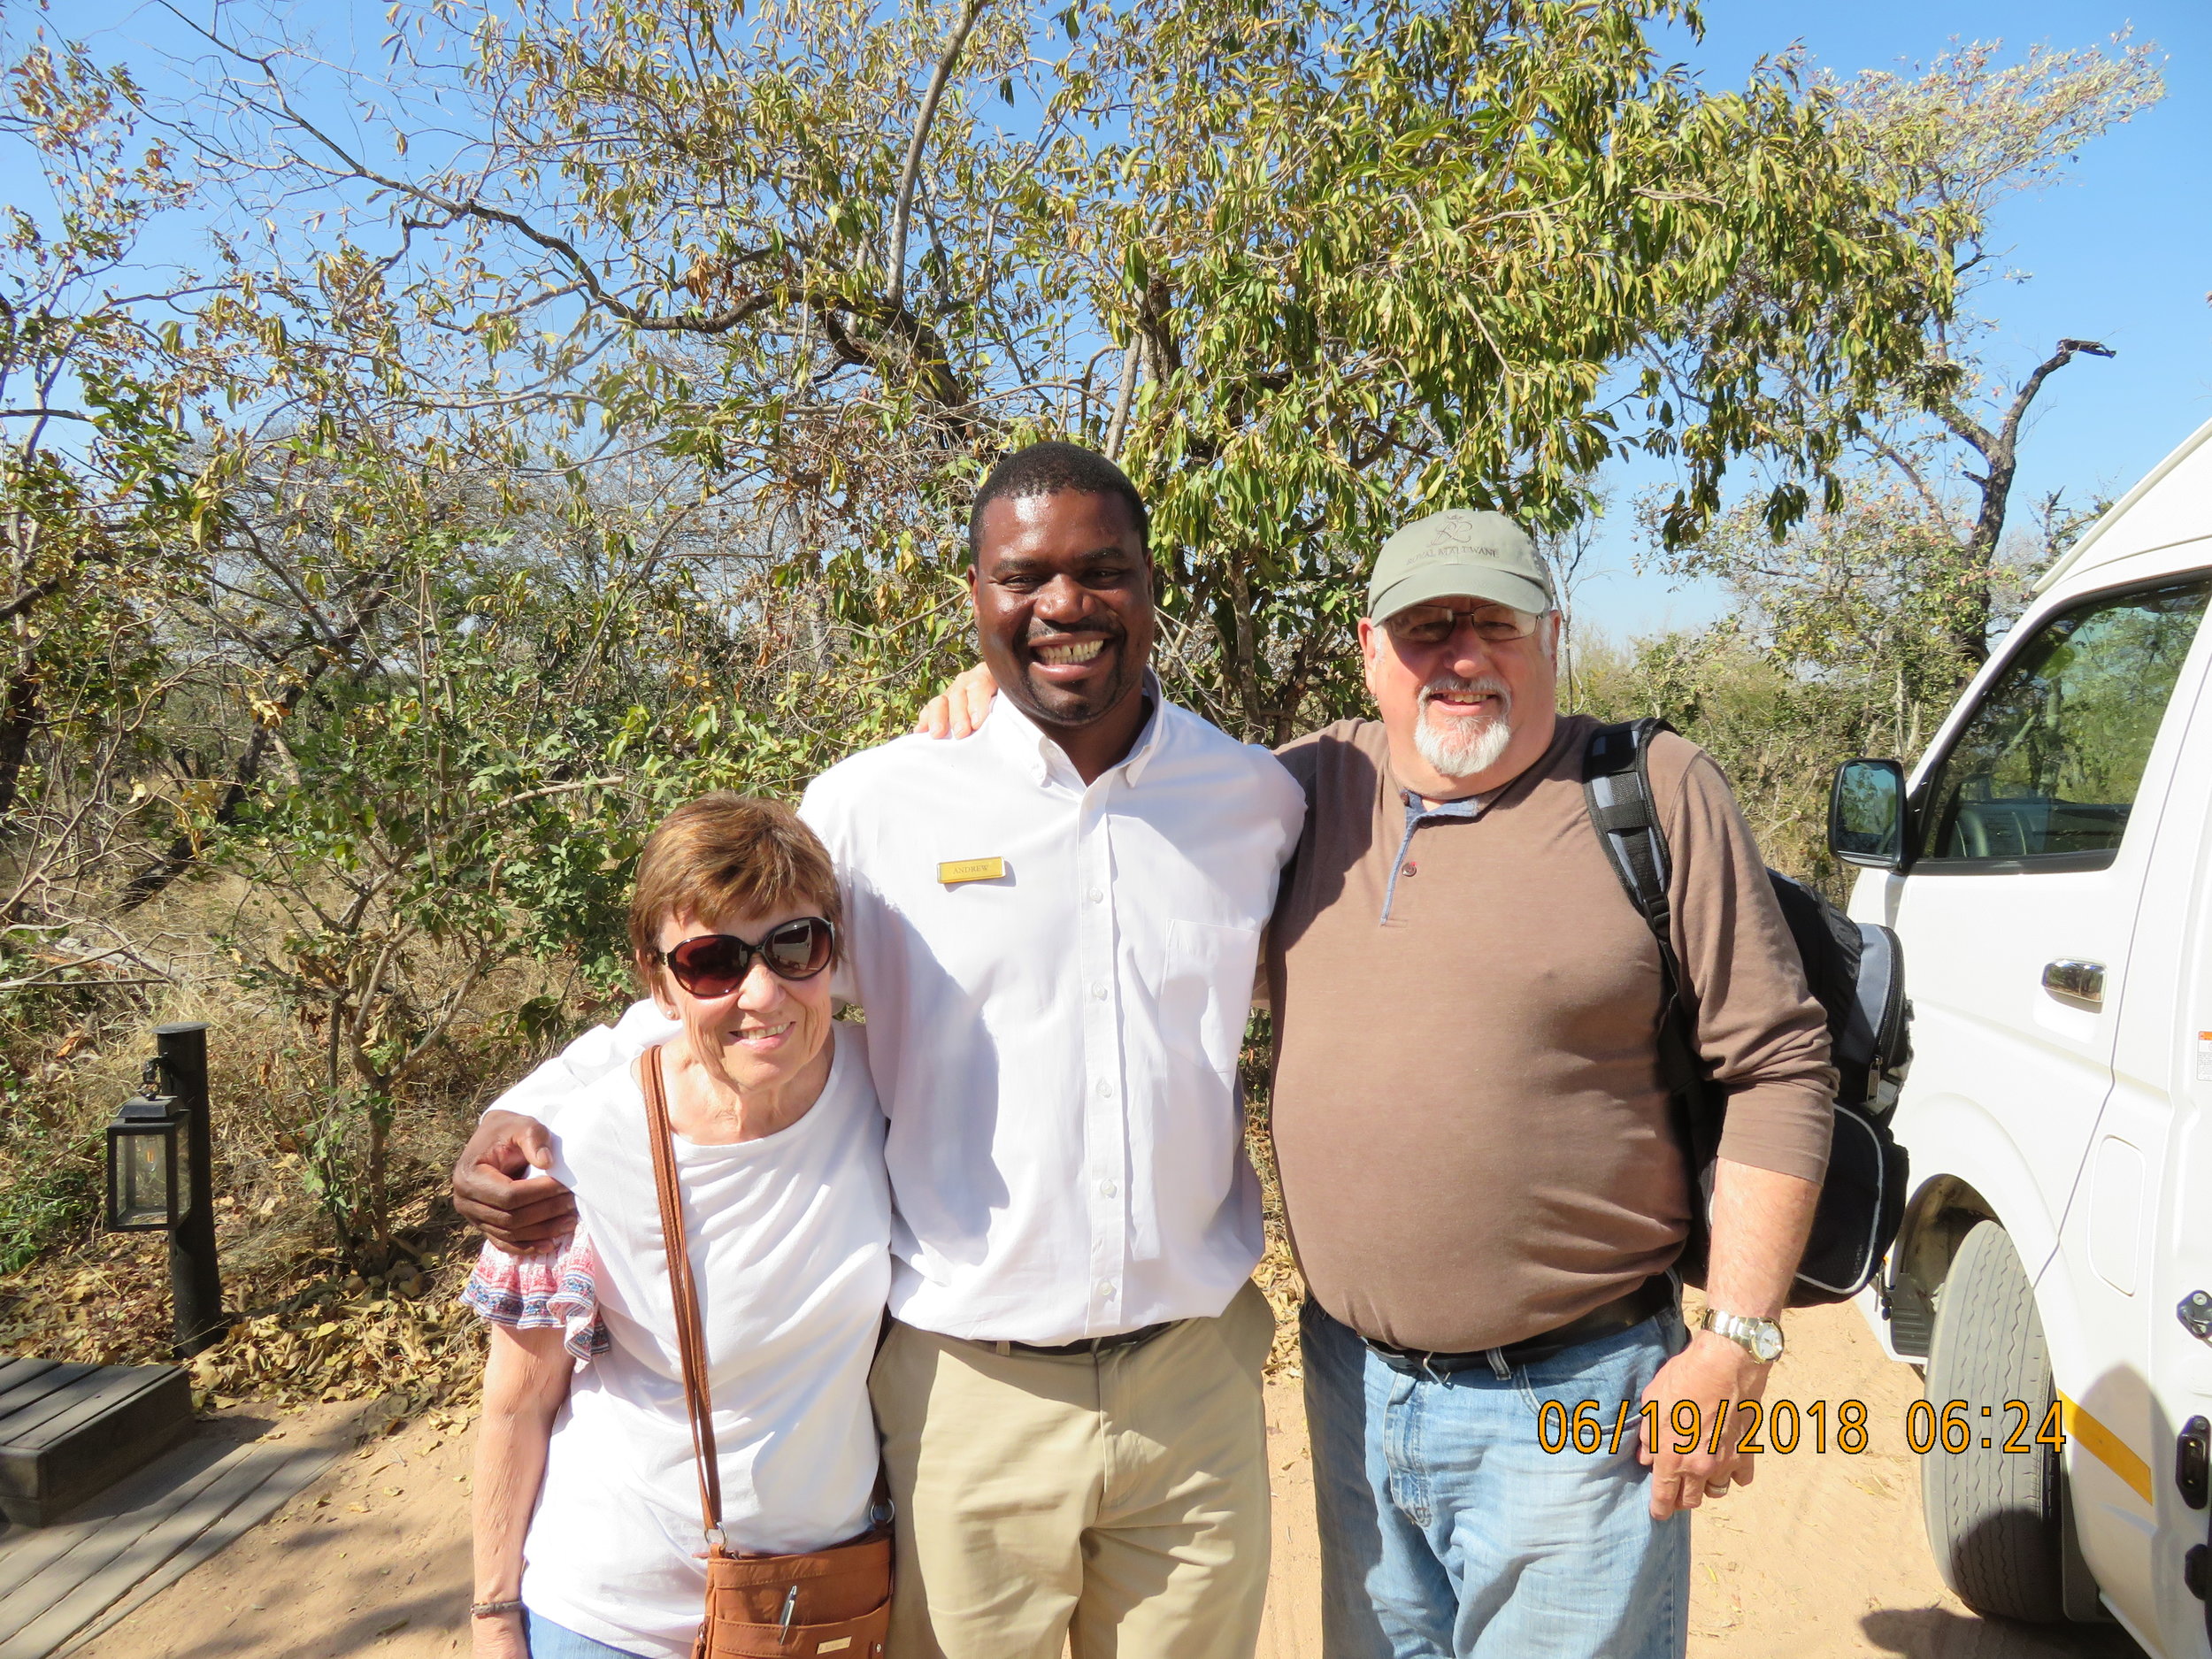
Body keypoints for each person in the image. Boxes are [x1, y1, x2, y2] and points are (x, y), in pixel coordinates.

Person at [917, 507, 1835, 1659]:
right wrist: (1011, 692)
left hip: (1580, 1399)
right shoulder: (1301, 790)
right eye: (1424, 628)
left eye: (1491, 623)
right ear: (1367, 646)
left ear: (1552, 633)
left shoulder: (1651, 788)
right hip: (1355, 1390)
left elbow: (1778, 1059)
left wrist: (1738, 1338)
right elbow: (1124, 769)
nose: (1459, 656)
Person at [453, 442, 1305, 1659]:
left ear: (1151, 585)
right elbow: (738, 982)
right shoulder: (876, 804)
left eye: (1102, 570)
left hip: (1198, 1379)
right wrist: (522, 1104)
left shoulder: (1252, 800)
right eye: (1026, 577)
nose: (1065, 604)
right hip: (969, 1389)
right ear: (976, 597)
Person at [465, 793, 891, 1659]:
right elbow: (517, 1402)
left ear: (833, 952)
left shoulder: (890, 1091)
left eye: (794, 945)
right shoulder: (577, 1147)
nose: (762, 993)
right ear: (659, 981)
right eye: (711, 963)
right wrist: (493, 1617)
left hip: (819, 1607)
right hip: (612, 1616)